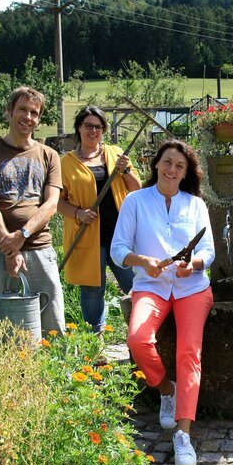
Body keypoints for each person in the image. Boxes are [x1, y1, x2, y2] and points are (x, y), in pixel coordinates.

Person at [110, 139, 215, 465]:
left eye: (179, 166)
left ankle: (183, 433)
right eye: (167, 162)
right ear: (156, 164)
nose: (172, 169)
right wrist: (143, 261)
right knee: (138, 339)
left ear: (185, 173)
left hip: (192, 288)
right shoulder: (135, 201)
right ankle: (167, 389)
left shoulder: (195, 204)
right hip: (151, 286)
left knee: (189, 352)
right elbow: (117, 249)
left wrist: (192, 265)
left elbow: (208, 251)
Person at [0, 86, 65, 340]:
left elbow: (51, 204)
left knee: (51, 320)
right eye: (22, 109)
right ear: (9, 111)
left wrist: (22, 235)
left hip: (39, 248)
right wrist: (10, 248)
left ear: (39, 118)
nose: (28, 117)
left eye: (34, 113)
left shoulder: (49, 155)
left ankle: (55, 366)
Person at [57, 106, 142, 334]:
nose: (93, 131)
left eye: (98, 127)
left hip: (120, 236)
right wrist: (78, 213)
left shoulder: (115, 154)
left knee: (135, 284)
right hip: (87, 237)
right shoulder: (66, 163)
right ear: (79, 127)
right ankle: (96, 337)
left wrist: (125, 171)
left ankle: (142, 331)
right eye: (88, 126)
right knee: (92, 290)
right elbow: (57, 202)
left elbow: (137, 189)